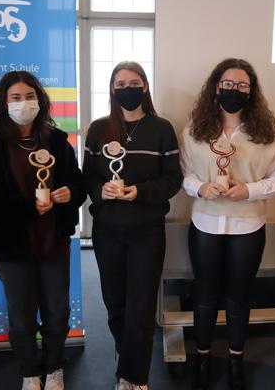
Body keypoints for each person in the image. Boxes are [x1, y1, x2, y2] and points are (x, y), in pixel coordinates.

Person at [0, 71, 86, 390]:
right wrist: (26, 207)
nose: (23, 103)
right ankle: (31, 370)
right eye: (16, 98)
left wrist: (68, 193)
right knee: (21, 315)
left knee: (57, 310)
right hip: (11, 246)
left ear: (40, 101)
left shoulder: (56, 140)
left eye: (29, 96)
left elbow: (77, 181)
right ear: (3, 103)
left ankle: (54, 365)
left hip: (53, 241)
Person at [180, 58, 275, 390]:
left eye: (242, 85)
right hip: (205, 223)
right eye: (228, 84)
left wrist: (249, 190)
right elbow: (185, 173)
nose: (234, 90)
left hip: (248, 225)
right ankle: (201, 360)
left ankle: (236, 360)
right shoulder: (195, 130)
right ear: (216, 86)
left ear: (251, 92)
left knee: (239, 298)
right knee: (205, 295)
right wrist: (201, 187)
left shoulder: (267, 134)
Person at [83, 61, 182, 390]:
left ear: (145, 87)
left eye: (134, 81)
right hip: (107, 230)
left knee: (140, 306)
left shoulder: (162, 128)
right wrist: (102, 191)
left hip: (147, 230)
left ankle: (133, 377)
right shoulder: (98, 130)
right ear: (112, 89)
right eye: (120, 83)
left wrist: (140, 191)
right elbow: (88, 177)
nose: (128, 88)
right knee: (115, 304)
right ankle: (125, 353)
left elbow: (173, 179)